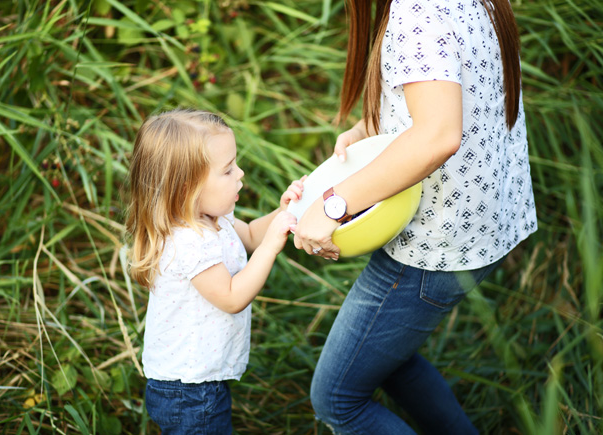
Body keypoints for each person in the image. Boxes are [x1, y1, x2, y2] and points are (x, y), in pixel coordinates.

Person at [293, 0, 537, 433]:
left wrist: (334, 204)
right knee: (389, 360)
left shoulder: (415, 10)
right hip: (487, 223)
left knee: (338, 398)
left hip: (431, 244)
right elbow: (455, 97)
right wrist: (373, 127)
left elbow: (437, 136)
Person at [126, 109, 302, 434]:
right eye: (228, 170)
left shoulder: (211, 217)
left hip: (198, 382)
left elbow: (249, 235)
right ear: (187, 187)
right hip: (189, 391)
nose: (240, 173)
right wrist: (271, 247)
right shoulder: (189, 240)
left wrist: (285, 212)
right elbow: (232, 297)